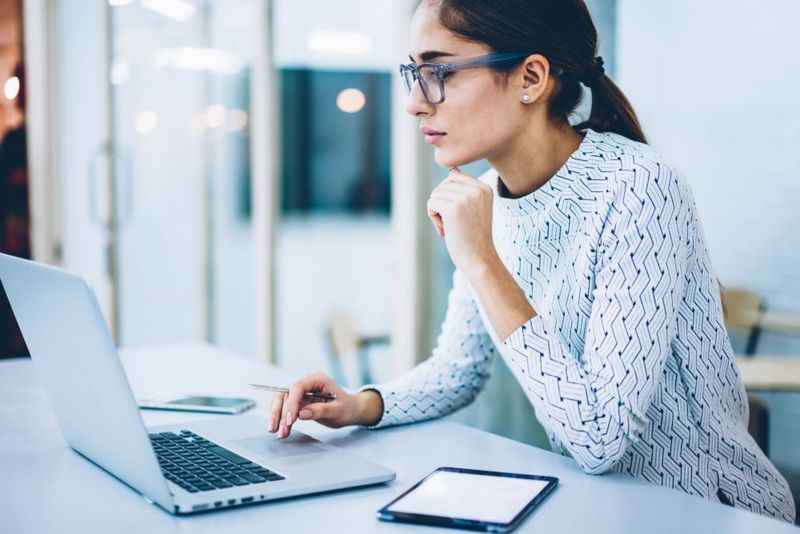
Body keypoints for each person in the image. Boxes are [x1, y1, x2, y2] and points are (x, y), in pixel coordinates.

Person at [267, 0, 795, 522]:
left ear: (532, 77)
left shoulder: (639, 187)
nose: (414, 103)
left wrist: (481, 261)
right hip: (603, 508)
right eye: (414, 72)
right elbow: (457, 371)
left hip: (712, 513)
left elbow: (598, 436)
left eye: (439, 71)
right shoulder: (486, 198)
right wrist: (362, 404)